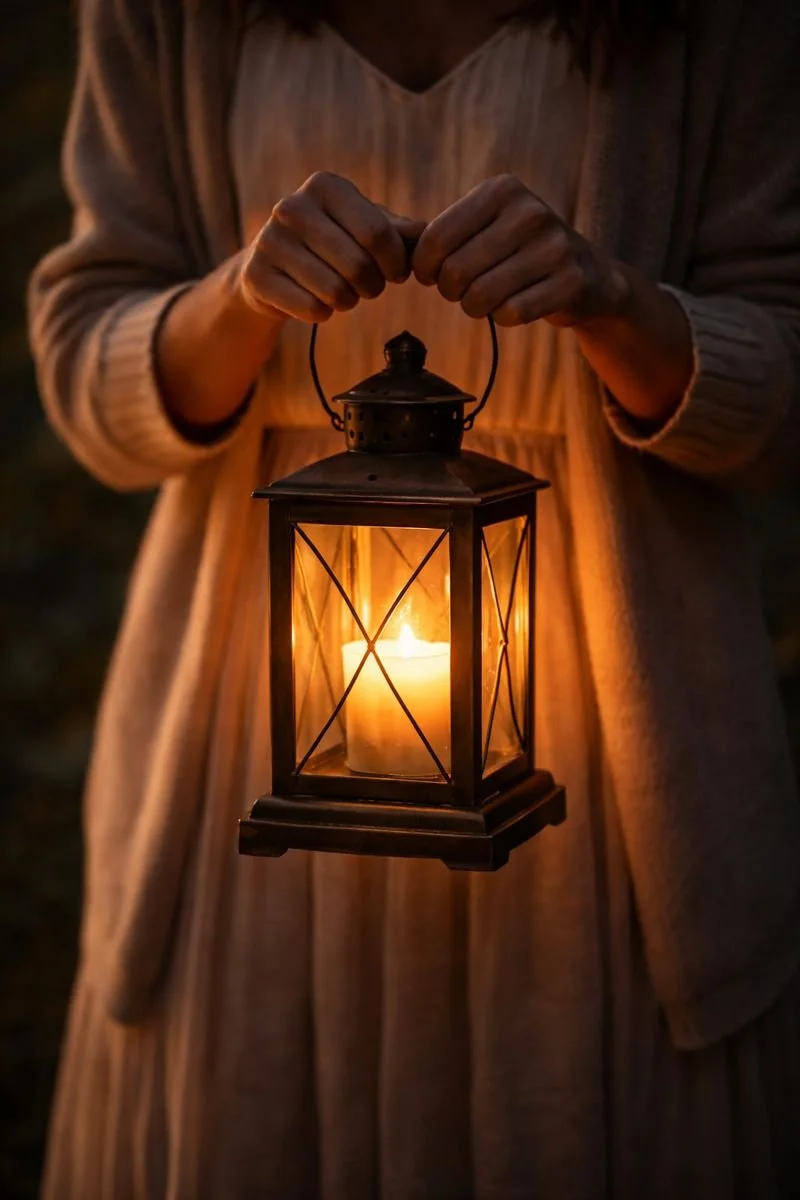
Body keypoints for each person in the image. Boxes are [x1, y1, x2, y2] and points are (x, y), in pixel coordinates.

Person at [28, 0, 800, 1195]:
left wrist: (611, 300)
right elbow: (86, 368)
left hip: (614, 791)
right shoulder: (164, 14)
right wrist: (240, 297)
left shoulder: (718, 25)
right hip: (249, 762)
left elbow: (779, 402)